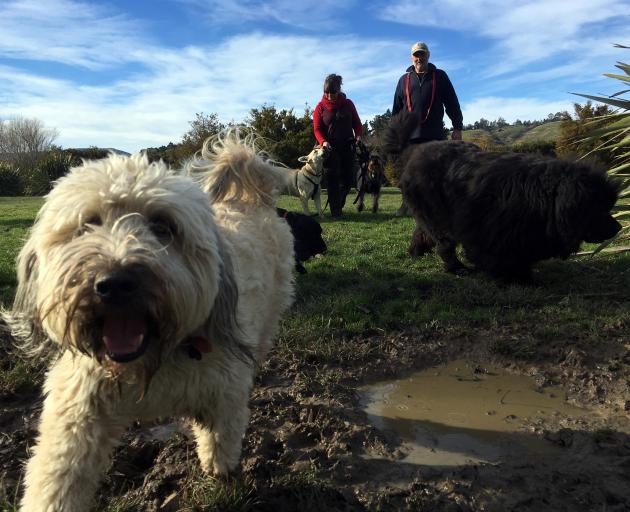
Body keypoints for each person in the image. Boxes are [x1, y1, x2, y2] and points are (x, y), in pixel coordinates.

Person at [392, 42, 463, 215]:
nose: (419, 58)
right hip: (410, 136)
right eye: (416, 55)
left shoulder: (440, 76)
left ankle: (436, 207)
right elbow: (397, 110)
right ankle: (407, 204)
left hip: (435, 135)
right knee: (408, 173)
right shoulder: (403, 80)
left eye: (422, 54)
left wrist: (457, 126)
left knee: (436, 173)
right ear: (412, 58)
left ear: (428, 55)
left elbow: (452, 103)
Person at [313, 74, 363, 219]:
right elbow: (316, 129)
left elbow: (357, 124)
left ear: (339, 90)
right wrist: (323, 141)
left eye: (333, 92)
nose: (329, 95)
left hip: (347, 145)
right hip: (330, 148)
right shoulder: (320, 107)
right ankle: (336, 212)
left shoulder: (348, 104)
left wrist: (358, 136)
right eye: (326, 92)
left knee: (348, 179)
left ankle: (338, 204)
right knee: (332, 179)